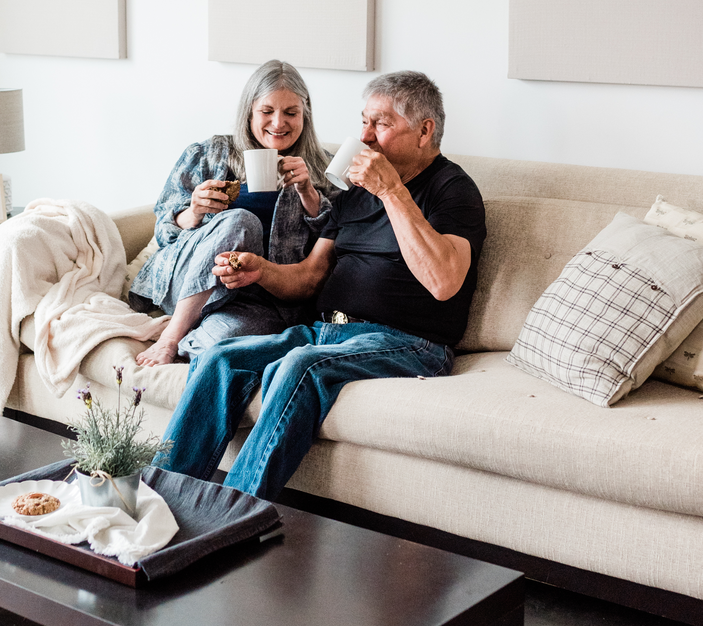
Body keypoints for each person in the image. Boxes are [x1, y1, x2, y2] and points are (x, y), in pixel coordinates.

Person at [160, 70, 486, 501]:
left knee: (299, 366)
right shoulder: (356, 190)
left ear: (425, 130)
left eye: (381, 124)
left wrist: (392, 193)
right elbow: (311, 276)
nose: (365, 137)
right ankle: (159, 498)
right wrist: (261, 270)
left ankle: (231, 514)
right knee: (222, 357)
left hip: (411, 342)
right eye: (364, 122)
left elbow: (444, 282)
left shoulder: (453, 190)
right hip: (328, 330)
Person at [130, 60, 332, 366]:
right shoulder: (208, 154)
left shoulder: (322, 171)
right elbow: (164, 230)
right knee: (241, 221)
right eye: (267, 111)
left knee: (217, 349)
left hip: (259, 300)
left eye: (290, 112)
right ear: (249, 111)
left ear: (306, 114)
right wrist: (194, 212)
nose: (278, 123)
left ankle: (189, 336)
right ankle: (170, 338)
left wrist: (308, 192)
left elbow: (332, 245)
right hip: (188, 281)